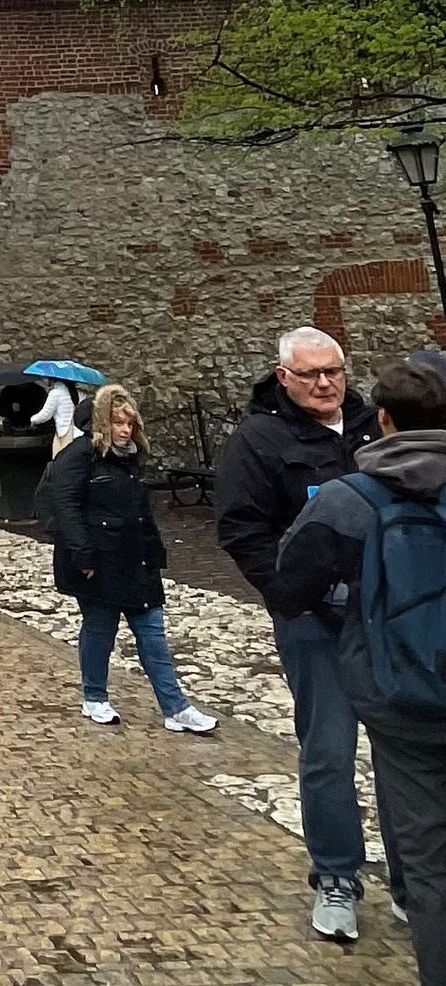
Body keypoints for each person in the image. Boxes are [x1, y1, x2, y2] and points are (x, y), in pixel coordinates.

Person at [275, 357, 446, 986]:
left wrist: (355, 605)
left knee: (433, 863)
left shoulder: (352, 498)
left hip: (405, 699)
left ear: (383, 420)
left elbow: (289, 586)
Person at [215, 325, 402, 943]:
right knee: (327, 753)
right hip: (315, 621)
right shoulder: (258, 440)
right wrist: (289, 596)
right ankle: (337, 877)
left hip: (390, 613)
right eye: (312, 374)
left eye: (335, 371)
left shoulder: (374, 426)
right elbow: (243, 528)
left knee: (402, 752)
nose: (326, 383)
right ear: (285, 376)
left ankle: (411, 878)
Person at [38, 385, 218, 732]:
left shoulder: (131, 459)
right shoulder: (78, 457)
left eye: (130, 424)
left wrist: (154, 549)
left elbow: (139, 511)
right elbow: (66, 507)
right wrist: (83, 555)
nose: (124, 430)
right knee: (100, 629)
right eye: (118, 423)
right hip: (99, 561)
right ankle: (94, 697)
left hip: (135, 559)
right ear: (104, 423)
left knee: (152, 633)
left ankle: (175, 707)